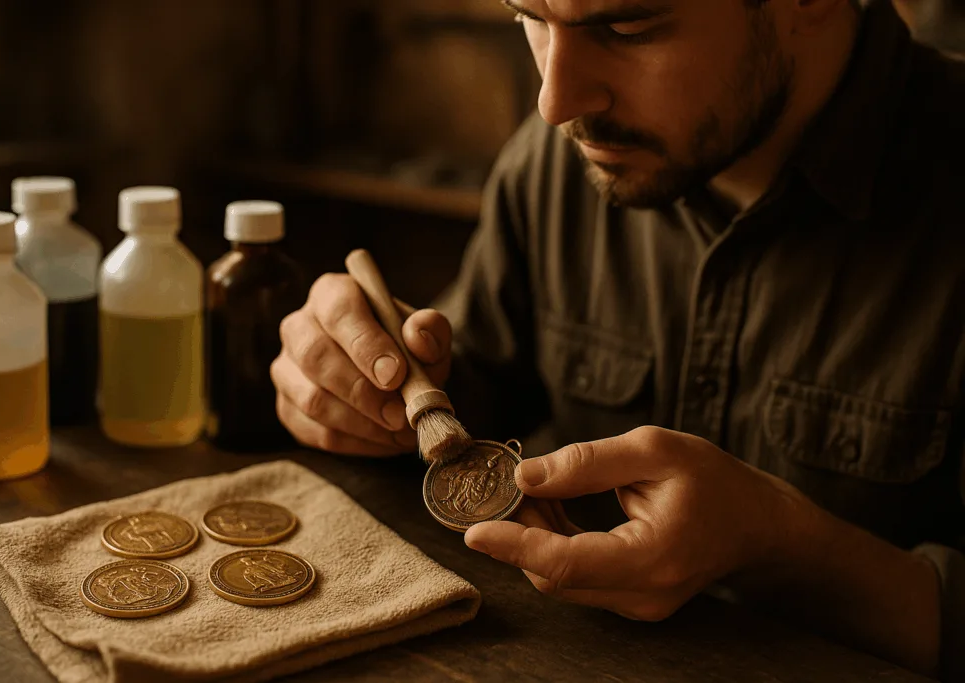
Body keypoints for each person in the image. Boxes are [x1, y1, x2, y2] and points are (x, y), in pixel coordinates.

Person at [270, 0, 964, 679]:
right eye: (530, 17)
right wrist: (354, 389)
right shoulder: (557, 159)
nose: (556, 101)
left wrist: (776, 547)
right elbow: (472, 390)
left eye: (628, 27)